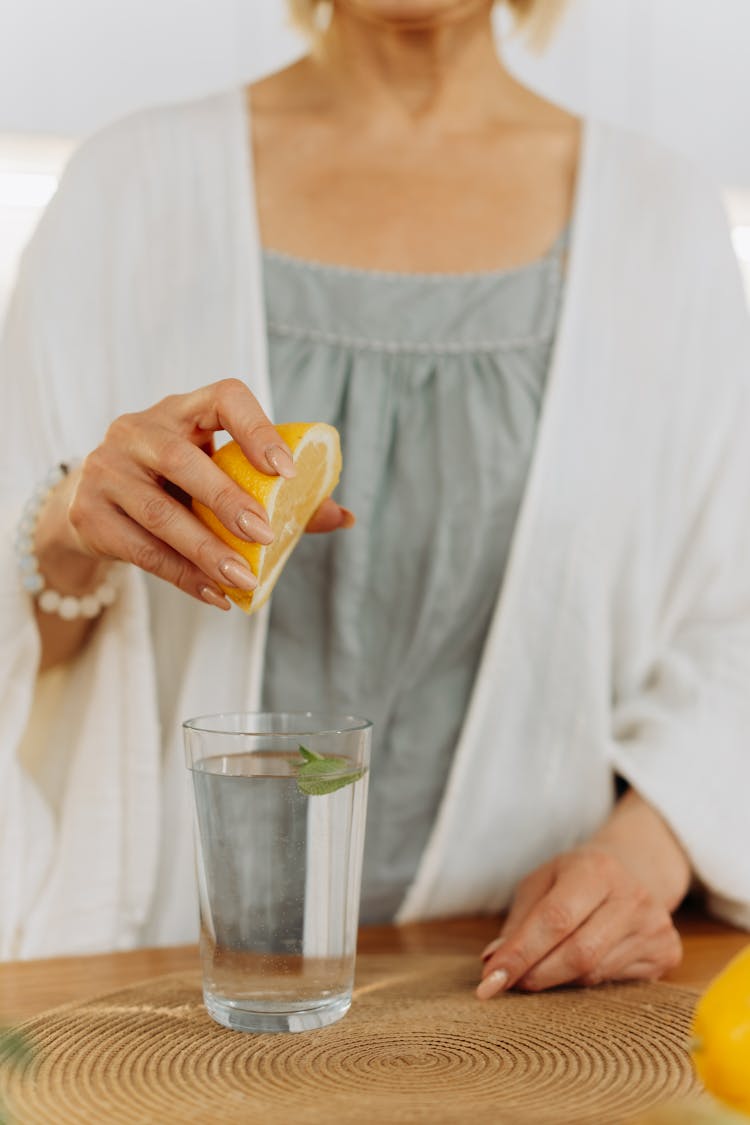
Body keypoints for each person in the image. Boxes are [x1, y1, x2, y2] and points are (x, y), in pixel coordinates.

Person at [2, 0, 749, 997]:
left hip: (525, 998)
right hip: (170, 994)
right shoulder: (126, 192)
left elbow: (733, 630)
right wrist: (67, 529)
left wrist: (646, 854)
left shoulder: (668, 224)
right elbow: (31, 662)